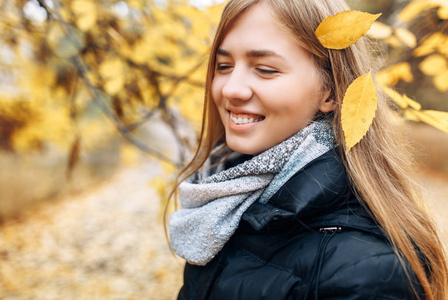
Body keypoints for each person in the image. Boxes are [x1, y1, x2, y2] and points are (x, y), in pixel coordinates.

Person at [167, 0, 448, 299]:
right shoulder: (224, 204)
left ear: (329, 91)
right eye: (224, 66)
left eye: (264, 69)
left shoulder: (368, 275)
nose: (231, 89)